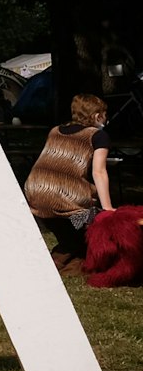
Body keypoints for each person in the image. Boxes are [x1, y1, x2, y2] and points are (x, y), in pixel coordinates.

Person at [24, 93, 116, 269]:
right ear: (98, 116)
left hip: (35, 192)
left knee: (70, 235)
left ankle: (63, 256)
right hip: (65, 198)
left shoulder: (55, 131)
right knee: (91, 220)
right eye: (105, 114)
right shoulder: (97, 136)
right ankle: (64, 258)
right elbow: (99, 172)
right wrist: (108, 209)